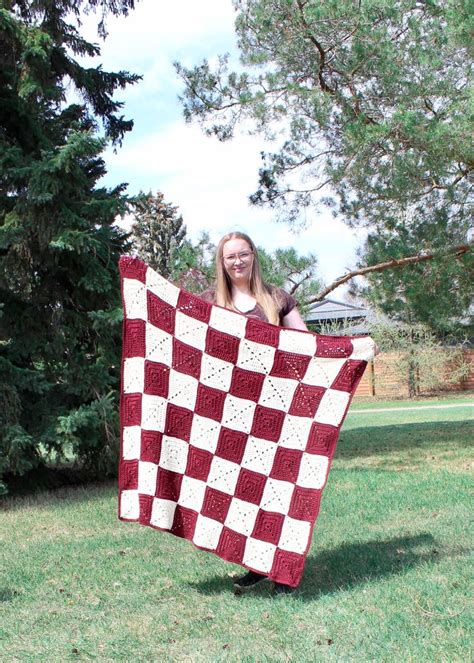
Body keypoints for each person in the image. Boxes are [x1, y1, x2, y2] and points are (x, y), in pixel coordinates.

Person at [200, 231, 308, 595]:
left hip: (275, 410)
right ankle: (257, 563)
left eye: (242, 254)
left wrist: (353, 350)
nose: (237, 262)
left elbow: (308, 346)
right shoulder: (210, 302)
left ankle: (283, 571)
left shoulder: (277, 298)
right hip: (231, 413)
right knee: (245, 492)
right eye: (230, 257)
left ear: (253, 255)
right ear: (222, 262)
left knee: (278, 490)